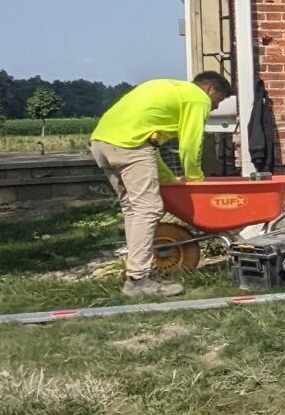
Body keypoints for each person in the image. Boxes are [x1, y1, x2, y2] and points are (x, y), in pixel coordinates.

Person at [90, 70, 234, 297]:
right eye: (220, 100)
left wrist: (168, 179)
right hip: (130, 145)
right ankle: (138, 281)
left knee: (133, 210)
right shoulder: (197, 98)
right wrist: (196, 180)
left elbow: (150, 147)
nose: (216, 107)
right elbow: (190, 145)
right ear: (210, 89)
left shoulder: (170, 89)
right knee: (148, 209)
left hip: (101, 143)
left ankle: (136, 273)